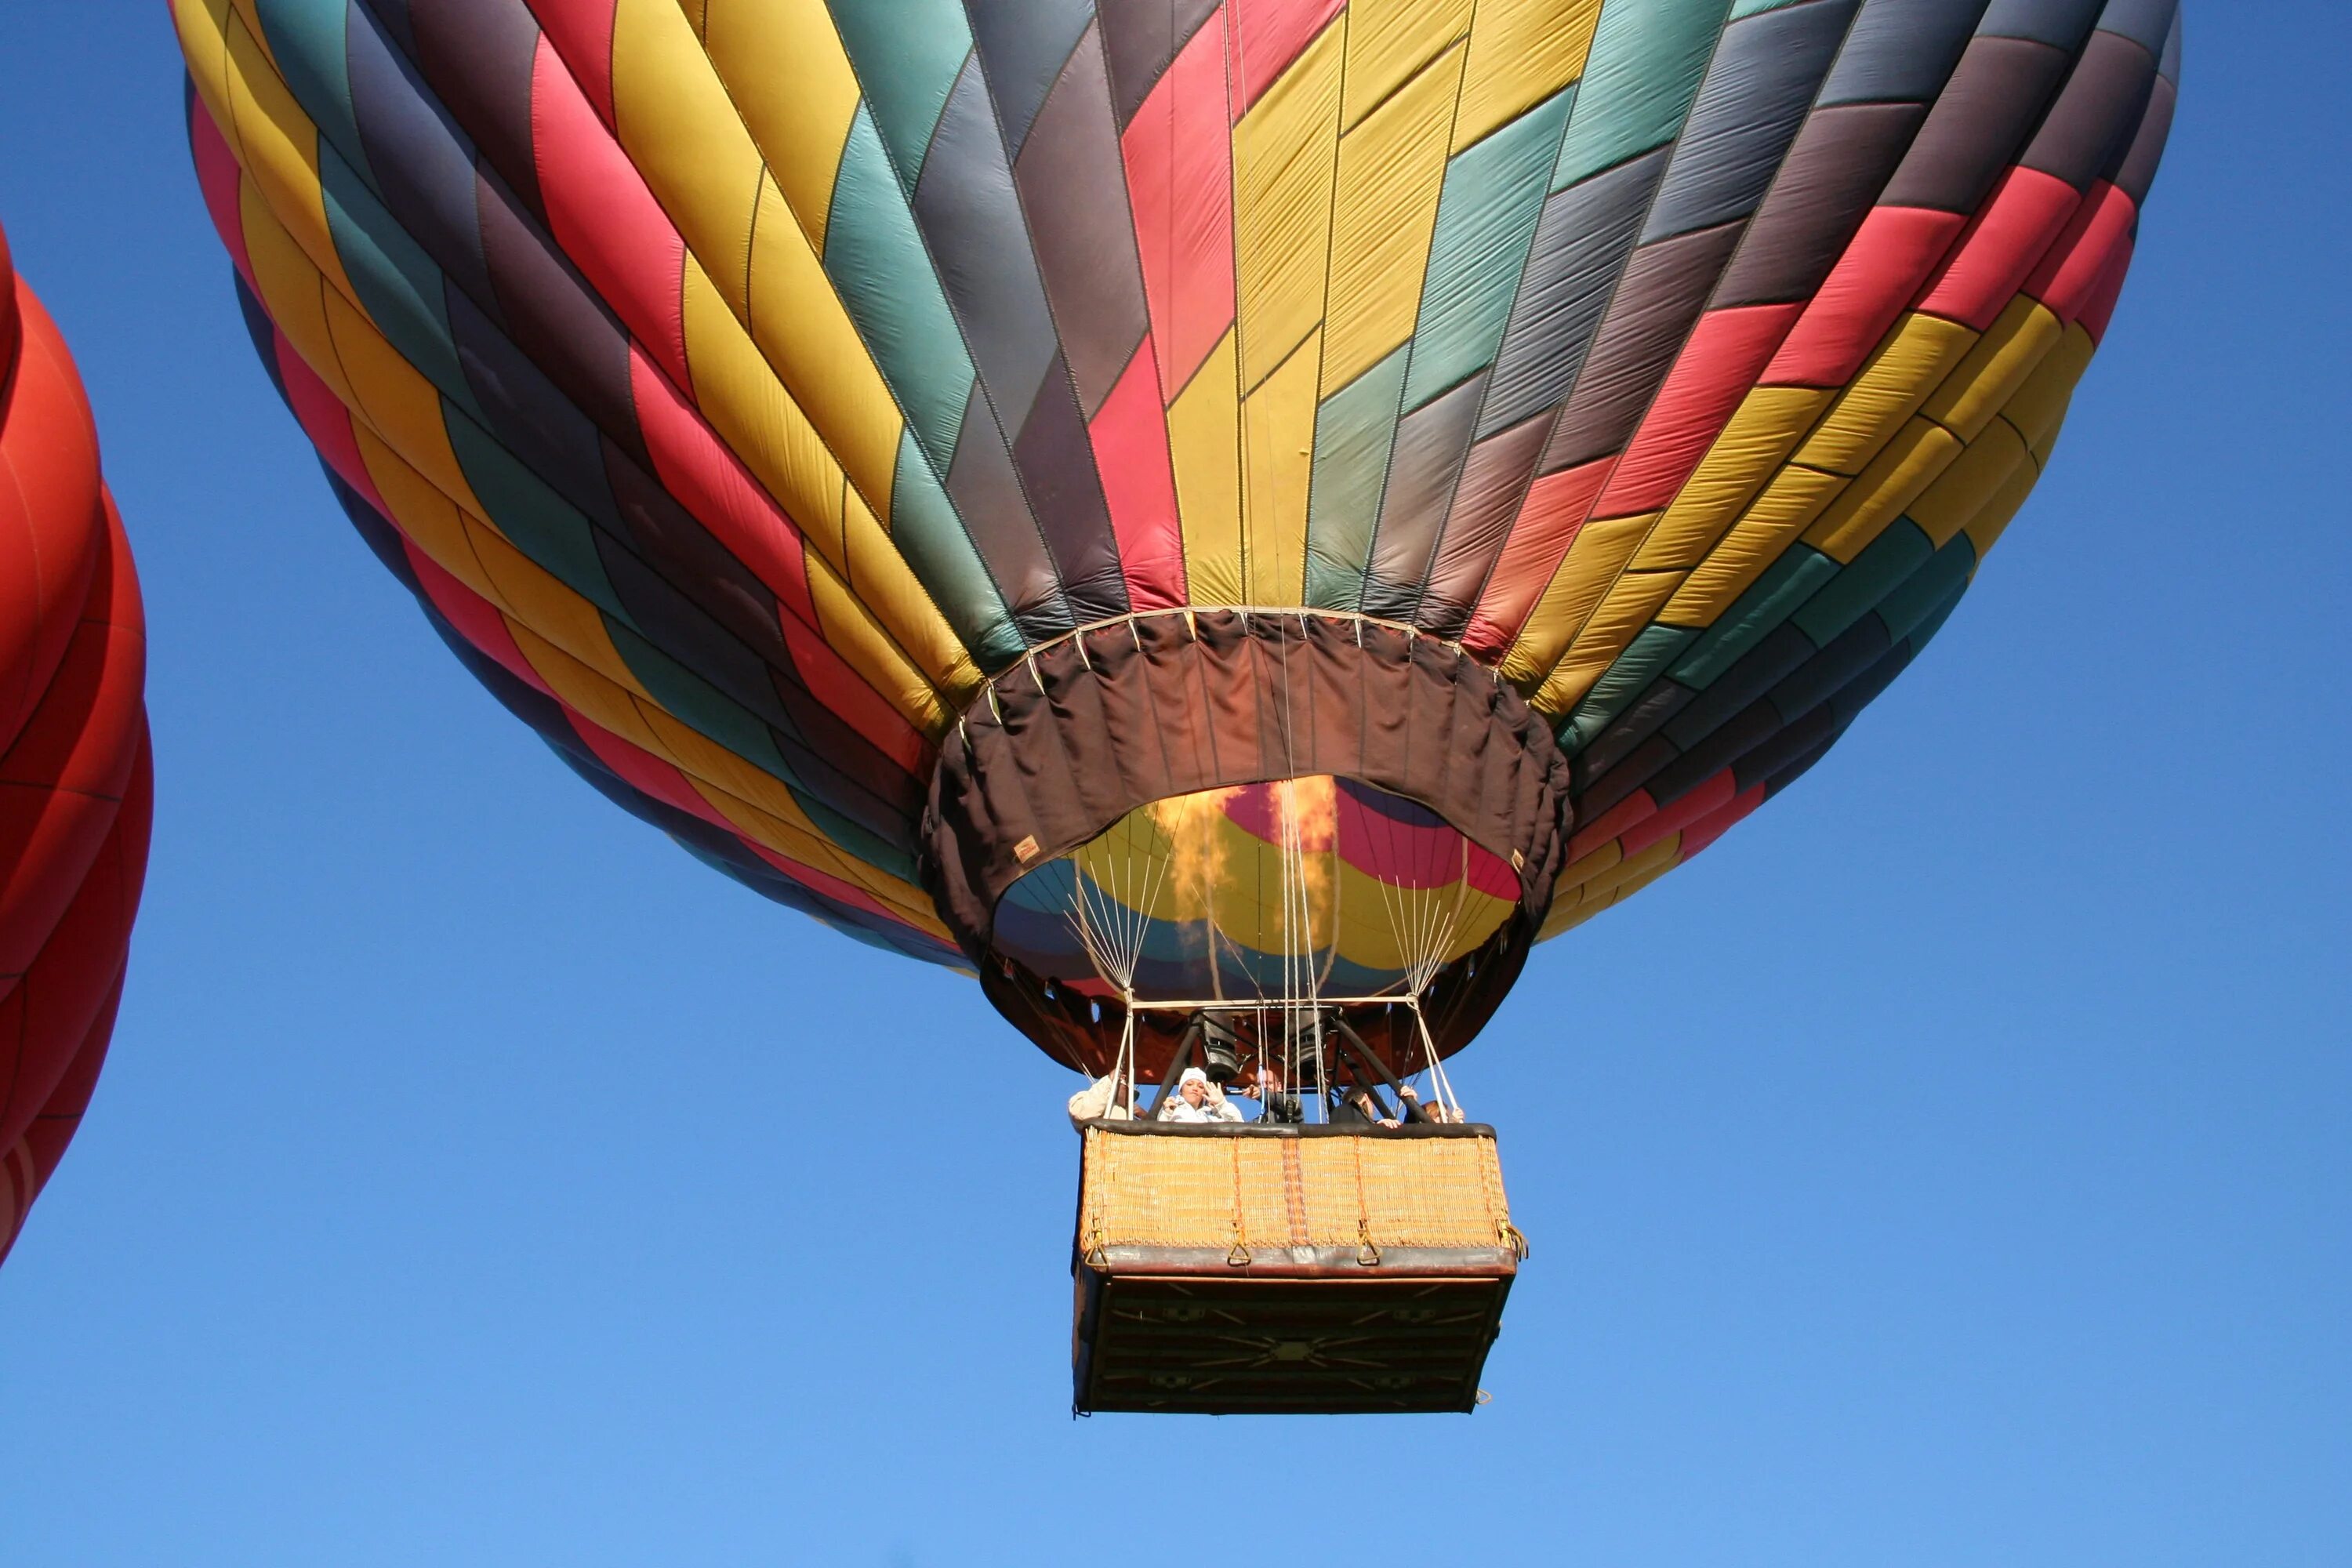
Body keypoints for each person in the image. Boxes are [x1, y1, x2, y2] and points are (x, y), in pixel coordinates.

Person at [1232, 1058, 1304, 1124]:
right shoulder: (1261, 1121)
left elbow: (1291, 1104)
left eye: (1269, 1083)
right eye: (1260, 1084)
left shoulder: (1293, 1101)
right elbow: (1244, 1129)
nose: (1264, 1087)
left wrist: (1262, 1093)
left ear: (1279, 1086)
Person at [1160, 1066, 1241, 1123]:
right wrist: (1167, 1115)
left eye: (1200, 1086)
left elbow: (1238, 1125)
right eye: (1189, 1084)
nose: (1195, 1088)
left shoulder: (1208, 1119)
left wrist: (1222, 1104)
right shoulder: (1171, 1111)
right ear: (1181, 1090)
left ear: (1204, 1093)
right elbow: (1159, 1139)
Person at [1065, 1073, 1136, 1126]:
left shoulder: (1131, 1115)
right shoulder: (1082, 1098)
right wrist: (1109, 1080)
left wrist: (1143, 1116)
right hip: (1103, 1142)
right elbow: (1083, 1114)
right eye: (1124, 1083)